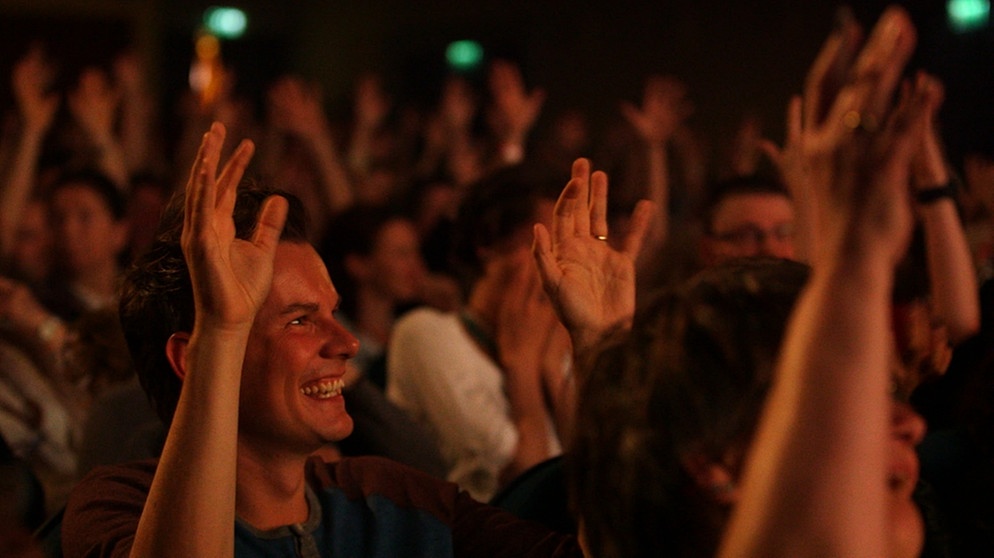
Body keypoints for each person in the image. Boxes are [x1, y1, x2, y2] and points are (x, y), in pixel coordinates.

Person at [61, 122, 581, 557]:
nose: (346, 344)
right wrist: (220, 330)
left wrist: (600, 341)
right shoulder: (119, 503)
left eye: (333, 312)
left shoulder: (384, 497)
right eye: (300, 320)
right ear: (191, 357)